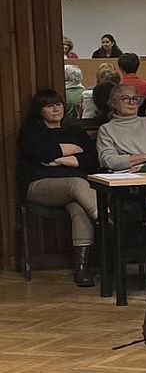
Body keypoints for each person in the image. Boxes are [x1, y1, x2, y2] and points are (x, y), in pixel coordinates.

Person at [17, 89, 99, 286]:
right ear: (39, 110)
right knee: (77, 183)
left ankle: (82, 268)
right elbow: (40, 153)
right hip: (38, 186)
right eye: (49, 106)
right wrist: (73, 151)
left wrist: (60, 159)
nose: (56, 109)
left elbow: (92, 160)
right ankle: (103, 219)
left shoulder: (75, 131)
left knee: (79, 208)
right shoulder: (31, 131)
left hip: (74, 190)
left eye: (58, 104)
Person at [95, 84, 146, 171]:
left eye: (135, 99)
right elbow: (109, 161)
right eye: (125, 98)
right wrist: (145, 157)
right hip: (128, 174)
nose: (131, 102)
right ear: (114, 103)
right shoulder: (106, 129)